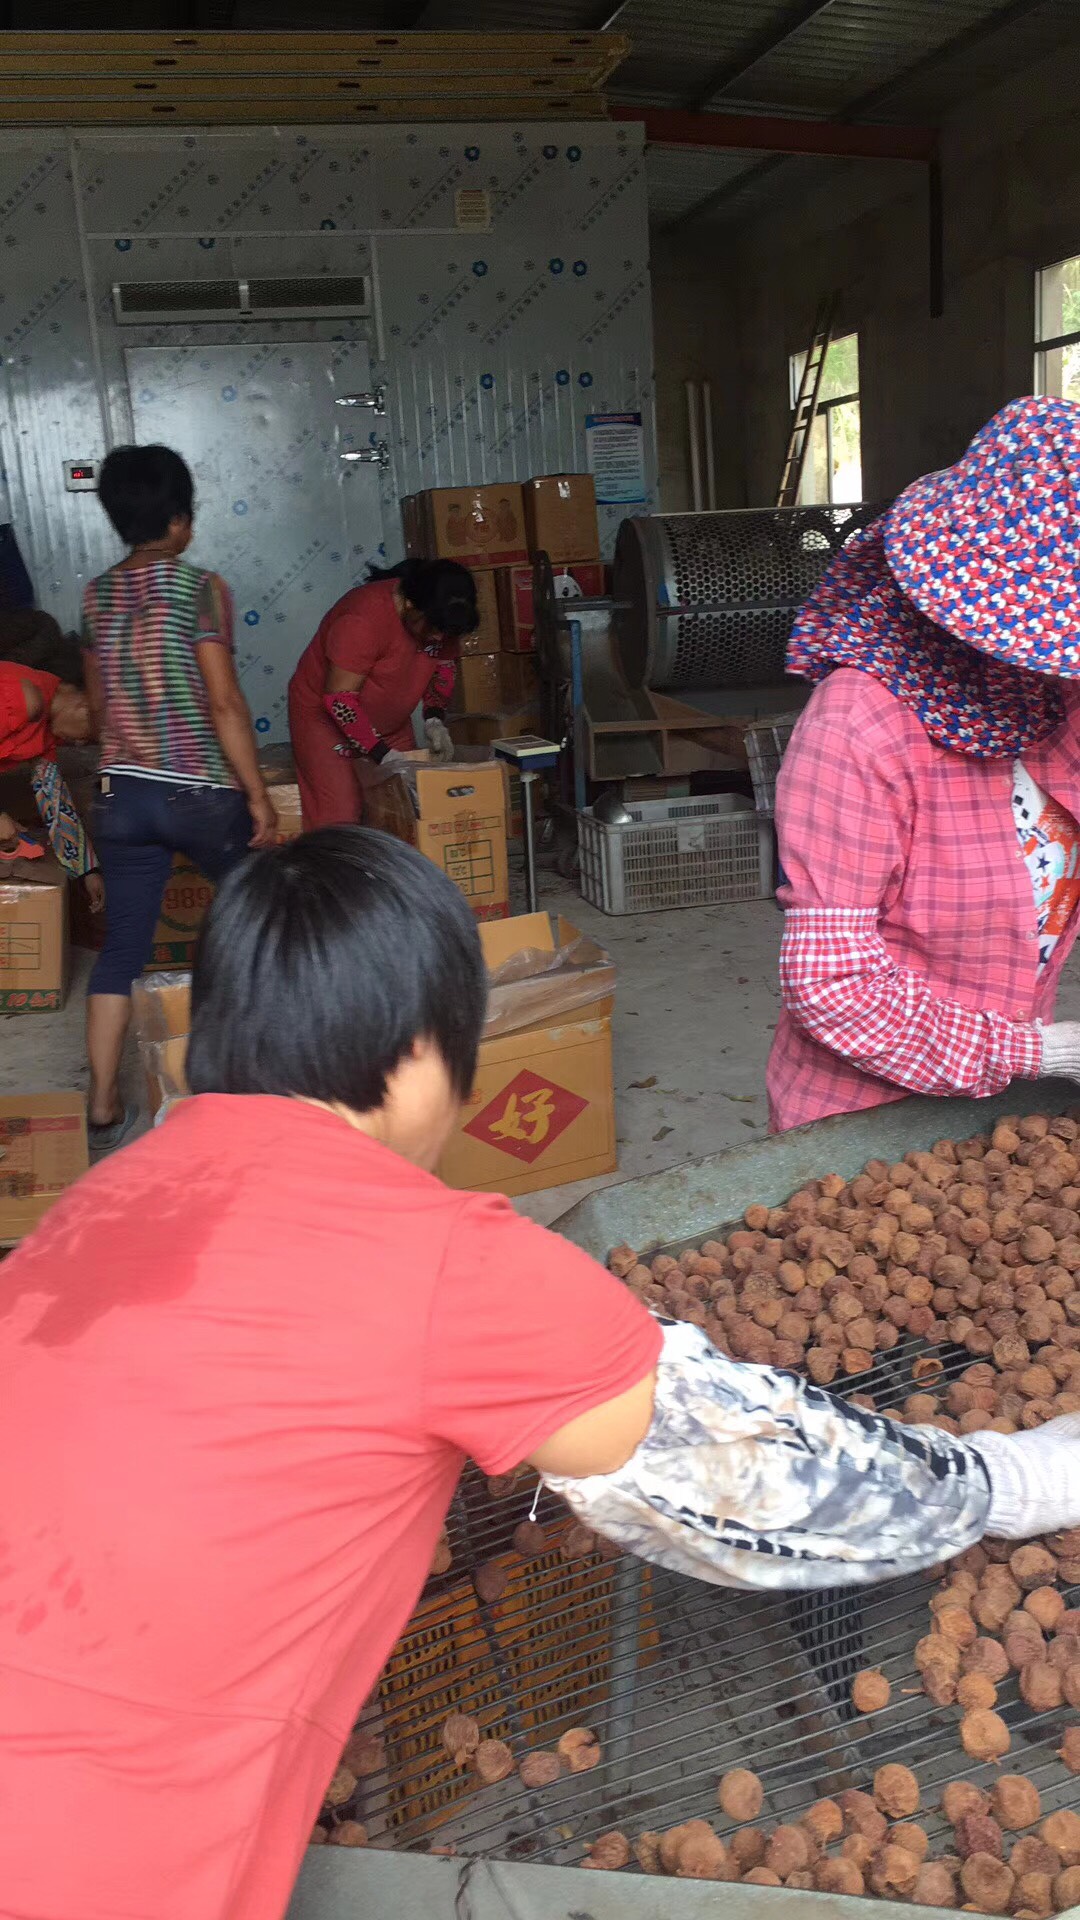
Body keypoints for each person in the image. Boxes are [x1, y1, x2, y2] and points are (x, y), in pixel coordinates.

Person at [0, 824, 1076, 1920]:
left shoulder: (83, 1215)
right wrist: (1012, 1479)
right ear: (427, 1047)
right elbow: (755, 1486)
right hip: (100, 1862)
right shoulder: (443, 1263)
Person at [769, 395, 1080, 1132]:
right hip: (865, 1126)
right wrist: (1040, 1054)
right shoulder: (857, 729)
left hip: (1008, 1116)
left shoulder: (1052, 699)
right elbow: (833, 983)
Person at [81, 443, 278, 1153]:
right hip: (198, 791)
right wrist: (257, 794)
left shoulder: (96, 594)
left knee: (121, 950)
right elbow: (224, 701)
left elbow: (100, 707)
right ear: (178, 520)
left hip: (121, 793)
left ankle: (103, 1107)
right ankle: (261, 1081)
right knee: (259, 922)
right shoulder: (201, 587)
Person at [288, 556, 478, 830]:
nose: (439, 638)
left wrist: (434, 717)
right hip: (325, 723)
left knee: (405, 808)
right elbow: (339, 699)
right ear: (411, 605)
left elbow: (443, 669)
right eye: (434, 629)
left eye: (446, 633)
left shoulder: (442, 620)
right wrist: (382, 754)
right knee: (340, 817)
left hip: (390, 723)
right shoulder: (362, 620)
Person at [0, 659, 102, 905]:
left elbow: (55, 802)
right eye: (87, 737)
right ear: (82, 705)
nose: (78, 745)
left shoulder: (44, 736)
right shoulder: (26, 698)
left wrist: (87, 871)